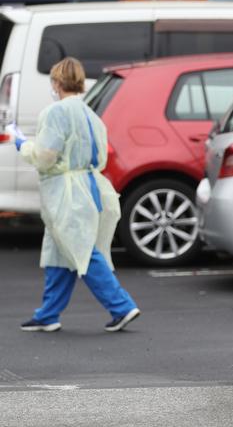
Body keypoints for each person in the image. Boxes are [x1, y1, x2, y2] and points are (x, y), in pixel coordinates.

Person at [11, 57, 140, 333]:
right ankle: (48, 314)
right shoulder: (90, 114)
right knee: (61, 250)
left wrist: (22, 144)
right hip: (89, 186)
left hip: (67, 193)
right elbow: (101, 155)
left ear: (57, 82)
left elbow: (46, 156)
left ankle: (122, 305)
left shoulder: (56, 112)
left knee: (81, 250)